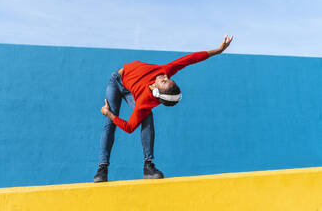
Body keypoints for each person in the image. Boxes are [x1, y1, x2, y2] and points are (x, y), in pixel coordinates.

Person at [94, 35, 234, 182]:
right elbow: (190, 59)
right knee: (110, 125)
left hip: (130, 91)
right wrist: (218, 51)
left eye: (164, 82)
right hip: (116, 80)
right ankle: (102, 168)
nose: (164, 77)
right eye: (167, 79)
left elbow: (129, 127)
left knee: (133, 117)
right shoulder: (164, 71)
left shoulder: (143, 102)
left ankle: (147, 166)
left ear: (157, 92)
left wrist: (109, 113)